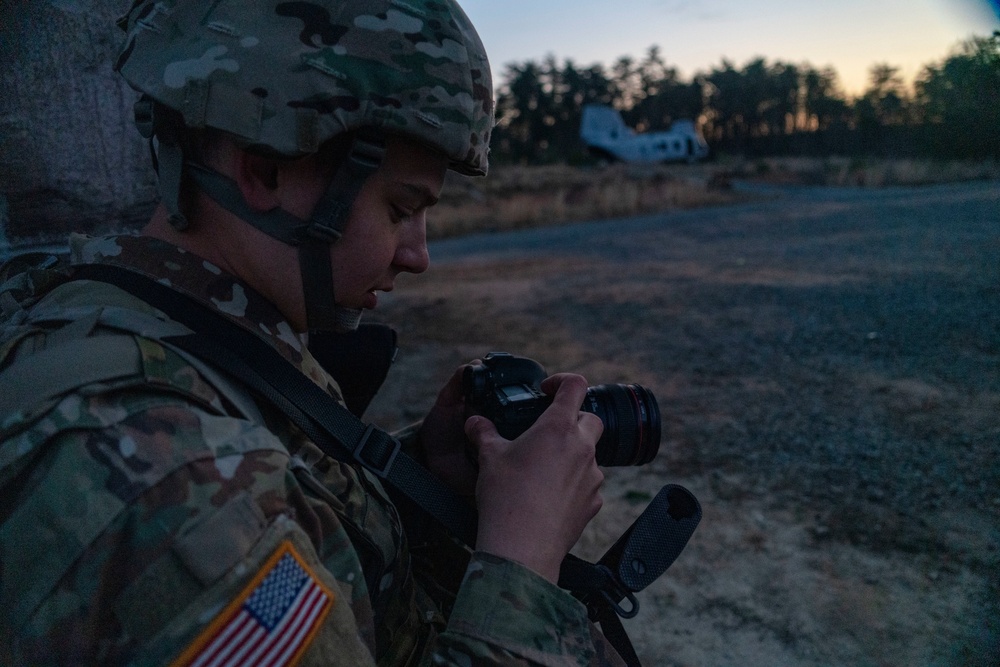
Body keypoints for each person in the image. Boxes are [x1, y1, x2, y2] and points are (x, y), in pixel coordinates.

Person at [0, 0, 625, 664]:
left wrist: (420, 483)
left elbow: (308, 541)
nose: (418, 253)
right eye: (400, 208)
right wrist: (521, 559)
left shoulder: (151, 318)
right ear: (266, 168)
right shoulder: (170, 490)